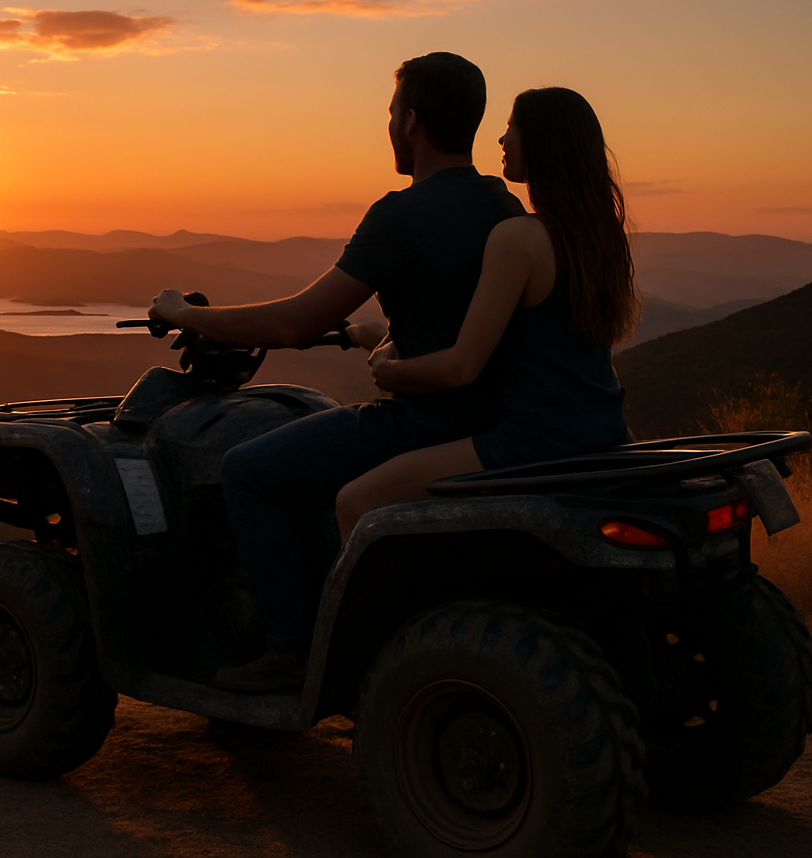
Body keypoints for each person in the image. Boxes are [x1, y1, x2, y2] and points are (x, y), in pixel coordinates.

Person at [149, 52, 526, 693]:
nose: (388, 126)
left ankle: (290, 650)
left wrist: (186, 312)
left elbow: (293, 323)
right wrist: (376, 332)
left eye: (389, 113)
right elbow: (464, 319)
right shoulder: (505, 207)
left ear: (410, 121)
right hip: (494, 420)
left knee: (248, 470)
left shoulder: (402, 214)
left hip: (424, 423)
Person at [335, 86, 639, 538]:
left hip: (535, 443)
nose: (502, 140)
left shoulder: (518, 238)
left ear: (542, 142)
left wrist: (387, 371)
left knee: (355, 500)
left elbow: (462, 367)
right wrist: (376, 333)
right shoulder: (600, 239)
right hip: (606, 433)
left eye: (512, 127)